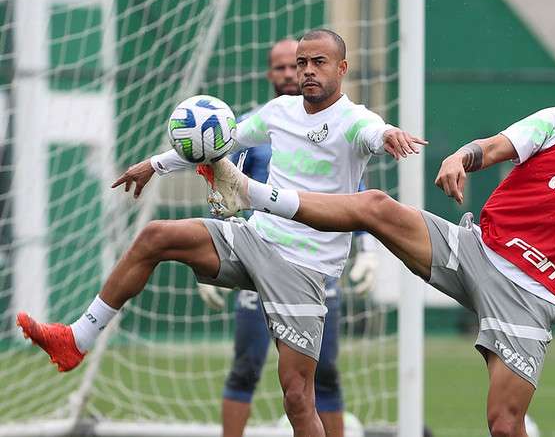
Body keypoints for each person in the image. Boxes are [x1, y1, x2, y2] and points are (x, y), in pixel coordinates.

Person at [202, 54, 555, 437]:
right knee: (377, 208)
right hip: (473, 250)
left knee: (505, 425)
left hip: (529, 304)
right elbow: (498, 146)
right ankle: (253, 193)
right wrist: (462, 157)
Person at [16, 28, 423, 437]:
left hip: (306, 270)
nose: (307, 71)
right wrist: (153, 165)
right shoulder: (279, 111)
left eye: (318, 62)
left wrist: (389, 135)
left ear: (342, 68)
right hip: (256, 240)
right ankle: (77, 339)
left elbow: (373, 131)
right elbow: (218, 142)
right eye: (302, 63)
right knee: (155, 236)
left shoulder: (354, 119)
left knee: (298, 397)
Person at [194, 38, 376, 437]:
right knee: (246, 366)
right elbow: (221, 186)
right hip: (261, 258)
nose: (291, 73)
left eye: (300, 65)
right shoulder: (253, 126)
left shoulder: (339, 125)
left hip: (316, 267)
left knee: (322, 373)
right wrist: (212, 267)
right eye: (282, 67)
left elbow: (355, 190)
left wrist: (366, 249)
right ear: (271, 74)